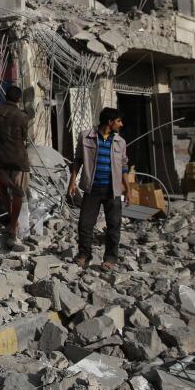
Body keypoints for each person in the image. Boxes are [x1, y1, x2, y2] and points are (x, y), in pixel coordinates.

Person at [69, 107, 128, 269]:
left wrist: (128, 189)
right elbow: (77, 160)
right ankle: (84, 254)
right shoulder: (86, 136)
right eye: (118, 121)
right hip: (92, 189)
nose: (121, 124)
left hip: (113, 190)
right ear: (110, 122)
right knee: (85, 224)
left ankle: (110, 258)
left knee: (114, 225)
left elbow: (123, 167)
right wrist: (72, 182)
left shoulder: (120, 142)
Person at [0, 85, 30, 250]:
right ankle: (13, 225)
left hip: (0, 157)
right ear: (18, 99)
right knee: (18, 192)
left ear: (5, 97)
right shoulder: (23, 116)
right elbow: (23, 137)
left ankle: (11, 222)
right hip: (18, 159)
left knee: (2, 188)